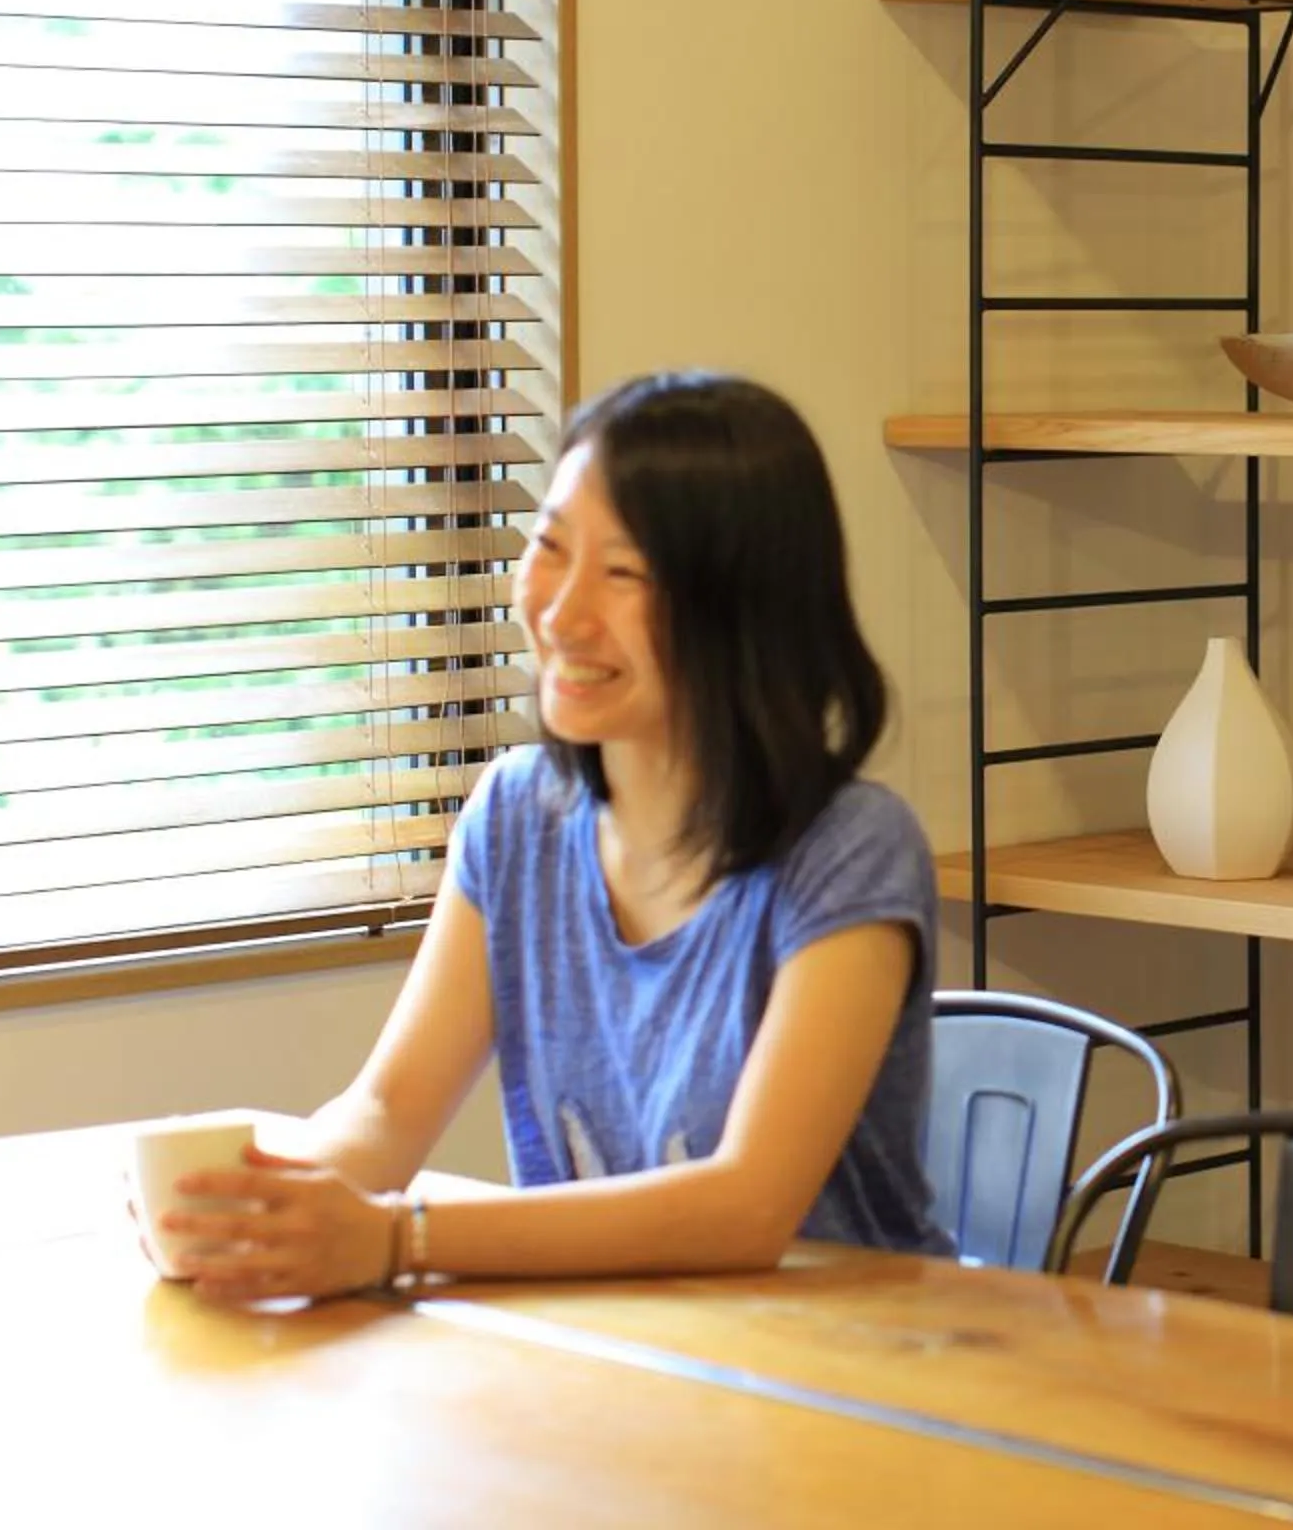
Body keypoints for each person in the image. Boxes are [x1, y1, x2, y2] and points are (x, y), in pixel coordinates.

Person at [148, 372, 950, 1301]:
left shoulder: (851, 848)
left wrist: (395, 1240)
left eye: (624, 574)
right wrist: (253, 1214)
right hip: (618, 1360)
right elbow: (382, 1111)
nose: (562, 613)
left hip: (855, 1375)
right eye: (550, 547)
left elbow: (747, 1207)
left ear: (743, 609)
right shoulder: (519, 816)